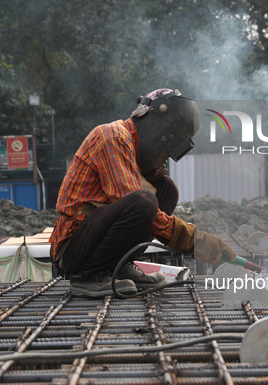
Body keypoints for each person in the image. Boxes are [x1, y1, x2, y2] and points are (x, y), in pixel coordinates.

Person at [49, 88, 236, 297]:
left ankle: (118, 266)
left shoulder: (133, 153)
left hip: (92, 238)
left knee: (165, 190)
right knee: (144, 202)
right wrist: (196, 241)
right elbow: (139, 205)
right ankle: (88, 277)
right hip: (74, 249)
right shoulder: (113, 137)